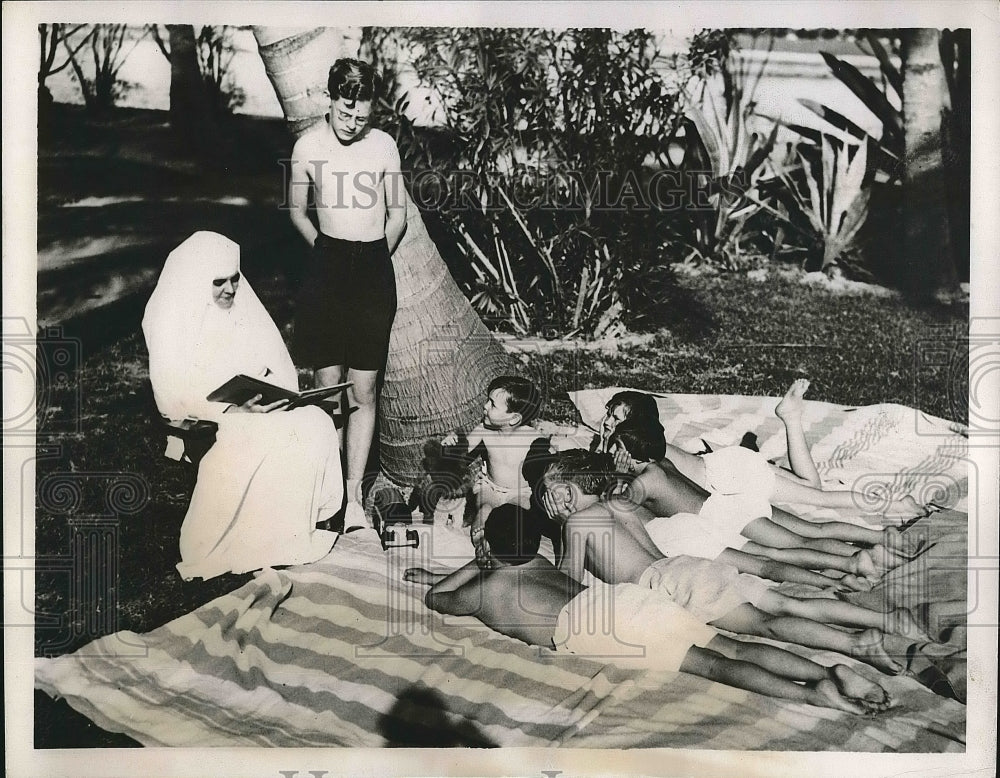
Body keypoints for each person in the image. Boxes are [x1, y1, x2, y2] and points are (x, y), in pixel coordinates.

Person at [403, 505, 893, 715]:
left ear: (487, 553)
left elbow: (438, 599)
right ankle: (828, 669)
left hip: (599, 628)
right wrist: (488, 559)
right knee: (733, 645)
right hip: (619, 600)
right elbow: (513, 565)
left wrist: (472, 564)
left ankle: (814, 698)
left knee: (716, 667)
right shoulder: (539, 562)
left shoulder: (484, 590)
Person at [539, 457, 928, 668]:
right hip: (688, 566)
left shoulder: (576, 522)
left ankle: (855, 644)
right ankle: (883, 622)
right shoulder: (616, 506)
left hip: (669, 581)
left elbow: (565, 585)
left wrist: (559, 532)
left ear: (568, 493)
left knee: (767, 626)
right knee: (783, 604)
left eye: (548, 498)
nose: (547, 508)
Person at [142, 231, 341, 579]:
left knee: (315, 423)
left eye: (235, 279)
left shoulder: (241, 310)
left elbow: (272, 365)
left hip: (253, 408)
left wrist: (273, 396)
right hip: (211, 420)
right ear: (196, 280)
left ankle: (294, 531)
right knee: (254, 433)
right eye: (219, 282)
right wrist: (232, 412)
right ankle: (253, 541)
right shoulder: (169, 318)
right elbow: (174, 399)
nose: (231, 290)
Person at [287, 57, 407, 530]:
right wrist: (326, 256)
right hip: (326, 269)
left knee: (363, 389)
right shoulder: (307, 147)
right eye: (346, 113)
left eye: (363, 117)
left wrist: (374, 260)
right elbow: (298, 212)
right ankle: (325, 494)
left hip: (373, 268)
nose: (354, 124)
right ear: (331, 99)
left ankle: (354, 498)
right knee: (326, 389)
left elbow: (397, 215)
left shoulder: (384, 146)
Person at [605, 422, 921, 584]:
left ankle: (856, 560)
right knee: (811, 530)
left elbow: (616, 504)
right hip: (732, 503)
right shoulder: (662, 465)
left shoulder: (644, 482)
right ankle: (879, 541)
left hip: (724, 515)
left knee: (793, 544)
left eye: (615, 449)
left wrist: (618, 473)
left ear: (629, 454)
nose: (610, 454)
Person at [656, 379, 921, 517]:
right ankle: (792, 417)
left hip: (726, 474)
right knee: (812, 485)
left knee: (819, 497)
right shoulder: (647, 445)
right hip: (724, 462)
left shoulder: (637, 448)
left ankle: (897, 505)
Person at [441, 375, 547, 542]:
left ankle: (502, 543)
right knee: (484, 509)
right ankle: (481, 541)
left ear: (513, 418)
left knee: (516, 517)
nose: (485, 406)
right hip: (490, 487)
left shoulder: (533, 438)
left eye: (492, 404)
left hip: (520, 492)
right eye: (487, 400)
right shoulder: (483, 429)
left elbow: (547, 467)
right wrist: (452, 444)